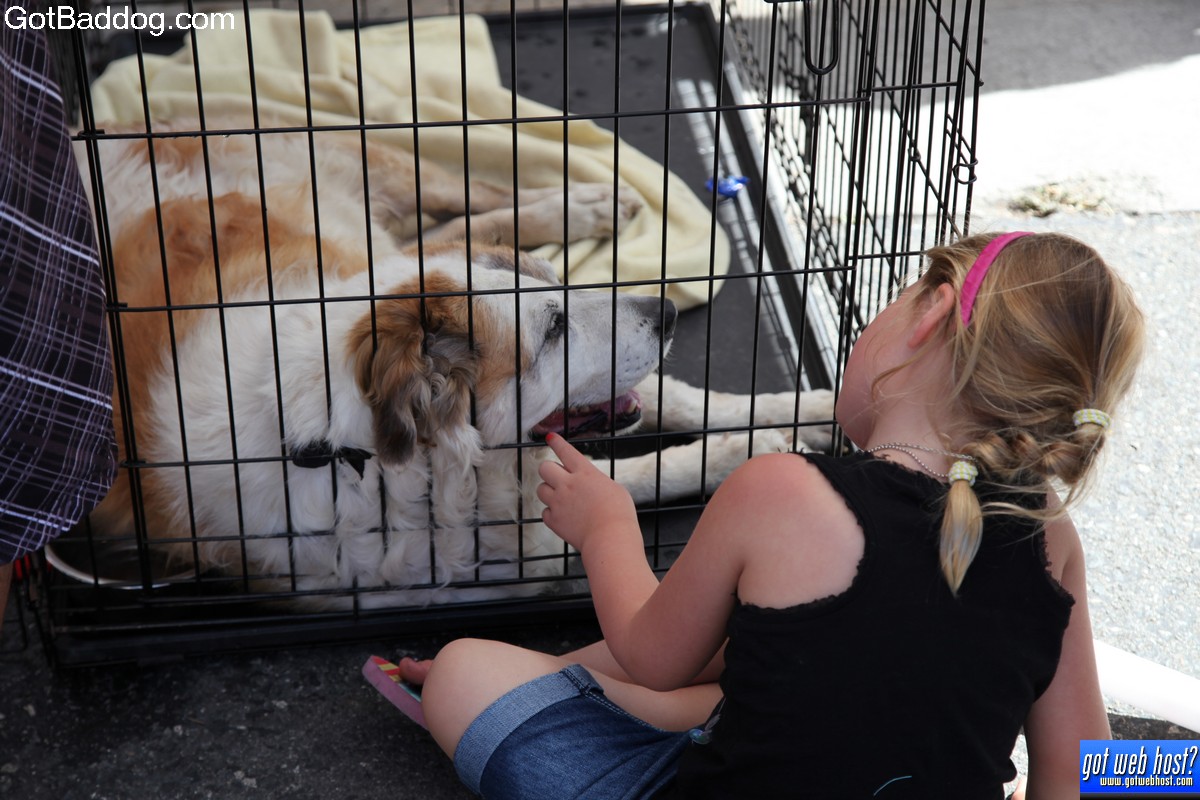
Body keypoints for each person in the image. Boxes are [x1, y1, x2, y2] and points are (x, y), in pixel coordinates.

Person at [392, 231, 1145, 799]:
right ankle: (589, 685)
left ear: (931, 314)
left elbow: (654, 653)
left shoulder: (778, 491)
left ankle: (561, 687)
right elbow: (1085, 767)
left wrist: (606, 528)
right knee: (793, 641)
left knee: (463, 671)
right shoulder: (1052, 538)